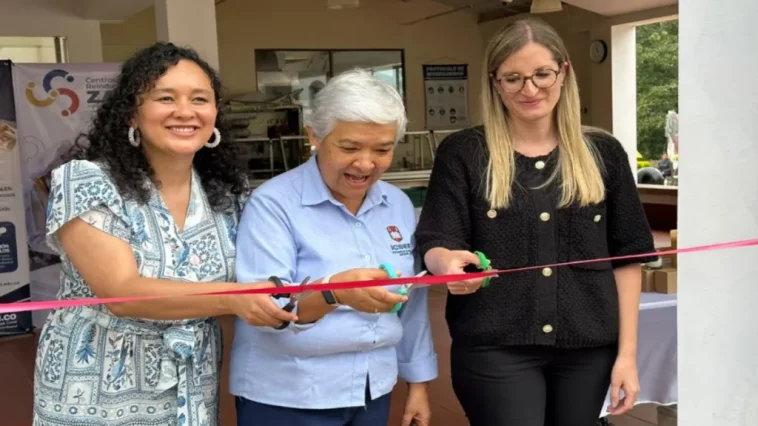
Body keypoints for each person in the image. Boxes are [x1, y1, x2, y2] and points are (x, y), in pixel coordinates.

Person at [32, 42, 300, 426]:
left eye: (200, 99)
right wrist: (236, 299)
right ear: (132, 112)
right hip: (94, 389)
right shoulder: (87, 180)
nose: (186, 112)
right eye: (165, 98)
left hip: (191, 389)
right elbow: (123, 292)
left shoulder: (228, 193)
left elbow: (268, 269)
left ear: (214, 114)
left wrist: (329, 287)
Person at [415, 18, 657, 426]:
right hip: (495, 349)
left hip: (589, 349)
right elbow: (438, 238)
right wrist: (445, 265)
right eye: (513, 78)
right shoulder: (464, 153)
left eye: (541, 74)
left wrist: (627, 357)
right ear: (495, 83)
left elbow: (628, 257)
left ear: (563, 72)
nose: (530, 90)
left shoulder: (604, 153)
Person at [230, 69, 438, 426]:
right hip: (288, 395)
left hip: (372, 391)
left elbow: (411, 303)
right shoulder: (273, 204)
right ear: (315, 136)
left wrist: (418, 382)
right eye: (349, 147)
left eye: (382, 149)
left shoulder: (398, 204)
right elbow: (264, 310)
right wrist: (334, 293)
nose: (366, 163)